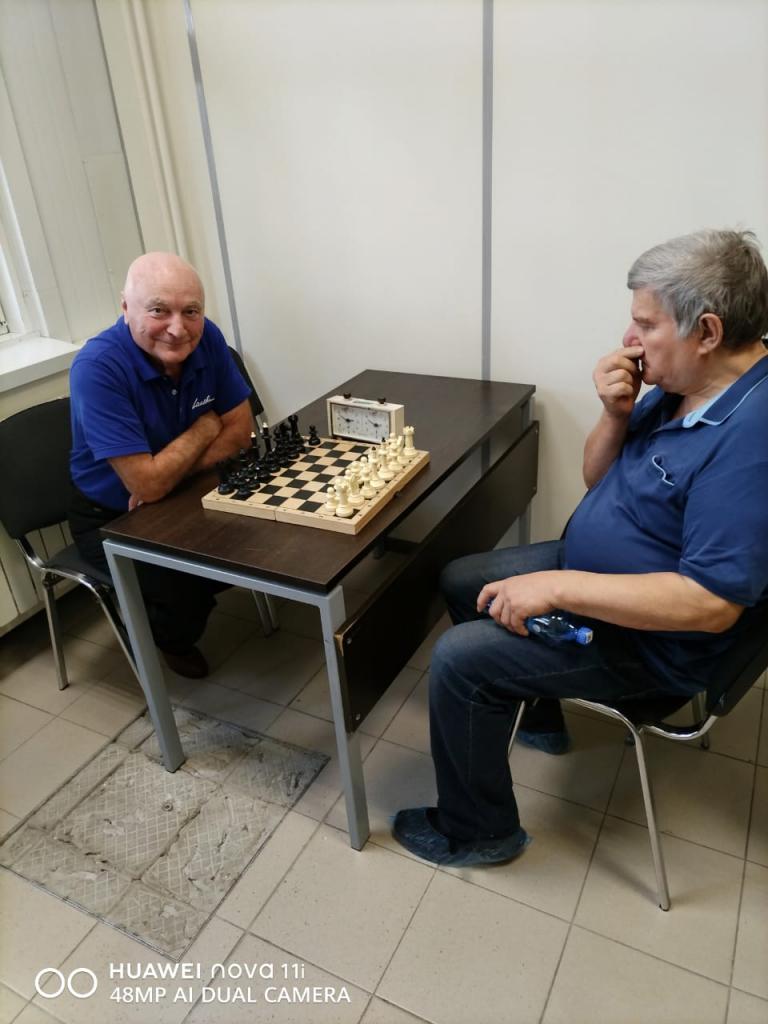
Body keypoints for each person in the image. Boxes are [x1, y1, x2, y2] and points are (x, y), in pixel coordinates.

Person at [393, 228, 768, 867]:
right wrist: (616, 412)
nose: (629, 339)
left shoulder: (751, 440)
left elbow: (710, 605)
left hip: (654, 647)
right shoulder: (689, 382)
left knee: (459, 660)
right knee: (462, 579)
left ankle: (479, 831)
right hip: (598, 576)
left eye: (646, 324)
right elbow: (598, 479)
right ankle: (539, 711)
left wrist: (557, 587)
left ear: (707, 331)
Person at [68, 252, 253, 678]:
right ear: (125, 307)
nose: (177, 328)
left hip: (185, 490)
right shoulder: (97, 368)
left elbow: (240, 432)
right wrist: (206, 427)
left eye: (191, 311)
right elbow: (146, 485)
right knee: (186, 587)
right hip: (112, 516)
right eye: (158, 310)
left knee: (257, 548)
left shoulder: (207, 338)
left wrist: (166, 475)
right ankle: (167, 637)